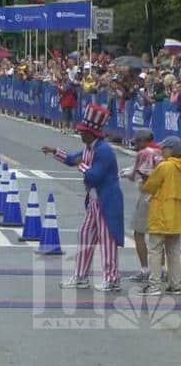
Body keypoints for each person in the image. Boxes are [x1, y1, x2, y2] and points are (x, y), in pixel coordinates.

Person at [42, 104, 124, 292]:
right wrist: (56, 151)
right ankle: (80, 276)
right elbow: (72, 159)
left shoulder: (103, 151)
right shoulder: (89, 148)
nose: (80, 134)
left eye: (83, 132)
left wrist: (82, 166)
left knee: (107, 241)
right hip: (94, 201)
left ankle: (112, 279)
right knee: (85, 234)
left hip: (107, 201)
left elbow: (93, 176)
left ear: (92, 133)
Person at [138, 136, 181, 296]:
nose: (161, 151)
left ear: (171, 150)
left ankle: (154, 285)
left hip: (161, 214)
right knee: (174, 250)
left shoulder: (165, 166)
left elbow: (149, 186)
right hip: (177, 216)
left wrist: (144, 178)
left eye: (164, 148)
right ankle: (176, 284)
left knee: (155, 249)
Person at [120, 128, 163, 282]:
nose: (136, 145)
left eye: (137, 141)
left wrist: (127, 173)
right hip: (161, 195)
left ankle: (145, 269)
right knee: (158, 235)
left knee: (139, 233)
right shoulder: (160, 151)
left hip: (147, 194)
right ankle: (160, 269)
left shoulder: (144, 153)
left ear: (144, 140)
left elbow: (137, 175)